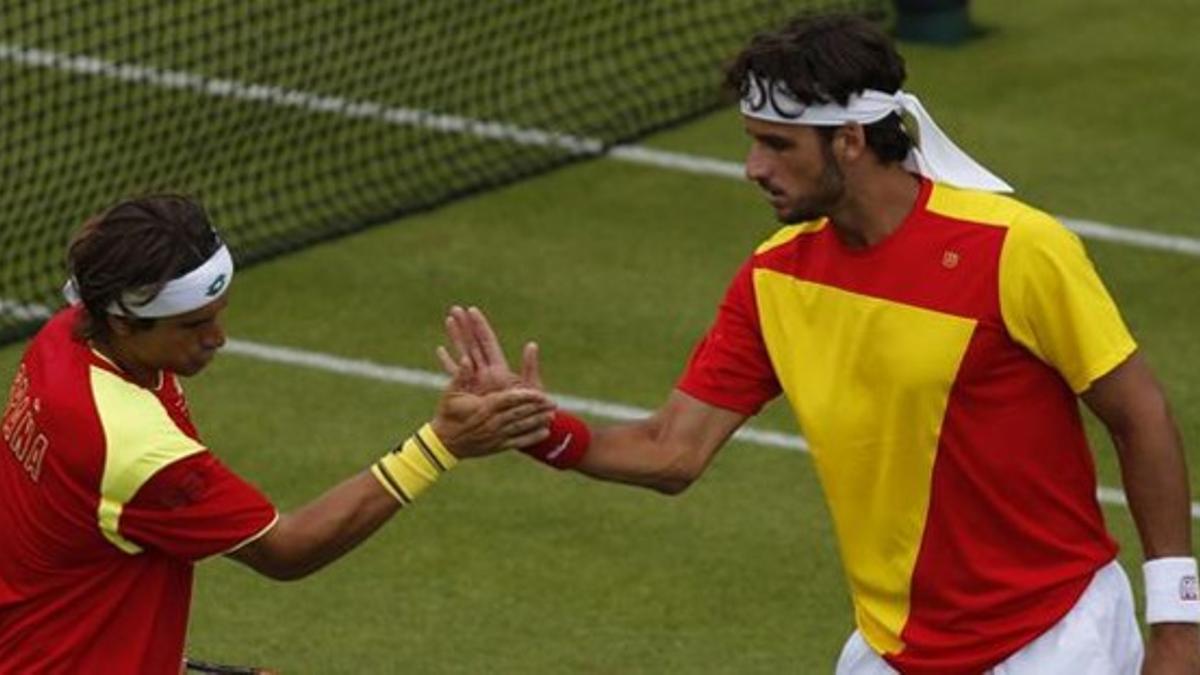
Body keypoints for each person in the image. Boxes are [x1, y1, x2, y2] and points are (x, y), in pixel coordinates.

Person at [438, 14, 1199, 674]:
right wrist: (536, 430)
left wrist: (1178, 628)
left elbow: (1140, 416)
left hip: (1057, 639)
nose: (753, 168)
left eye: (777, 144)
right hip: (892, 648)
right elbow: (672, 451)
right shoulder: (773, 279)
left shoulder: (1016, 250)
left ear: (851, 141)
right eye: (751, 142)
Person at [0, 194, 555, 673]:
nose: (218, 337)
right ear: (123, 320)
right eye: (193, 325)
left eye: (217, 313)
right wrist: (440, 446)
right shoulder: (130, 444)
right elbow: (287, 550)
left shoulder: (64, 338)